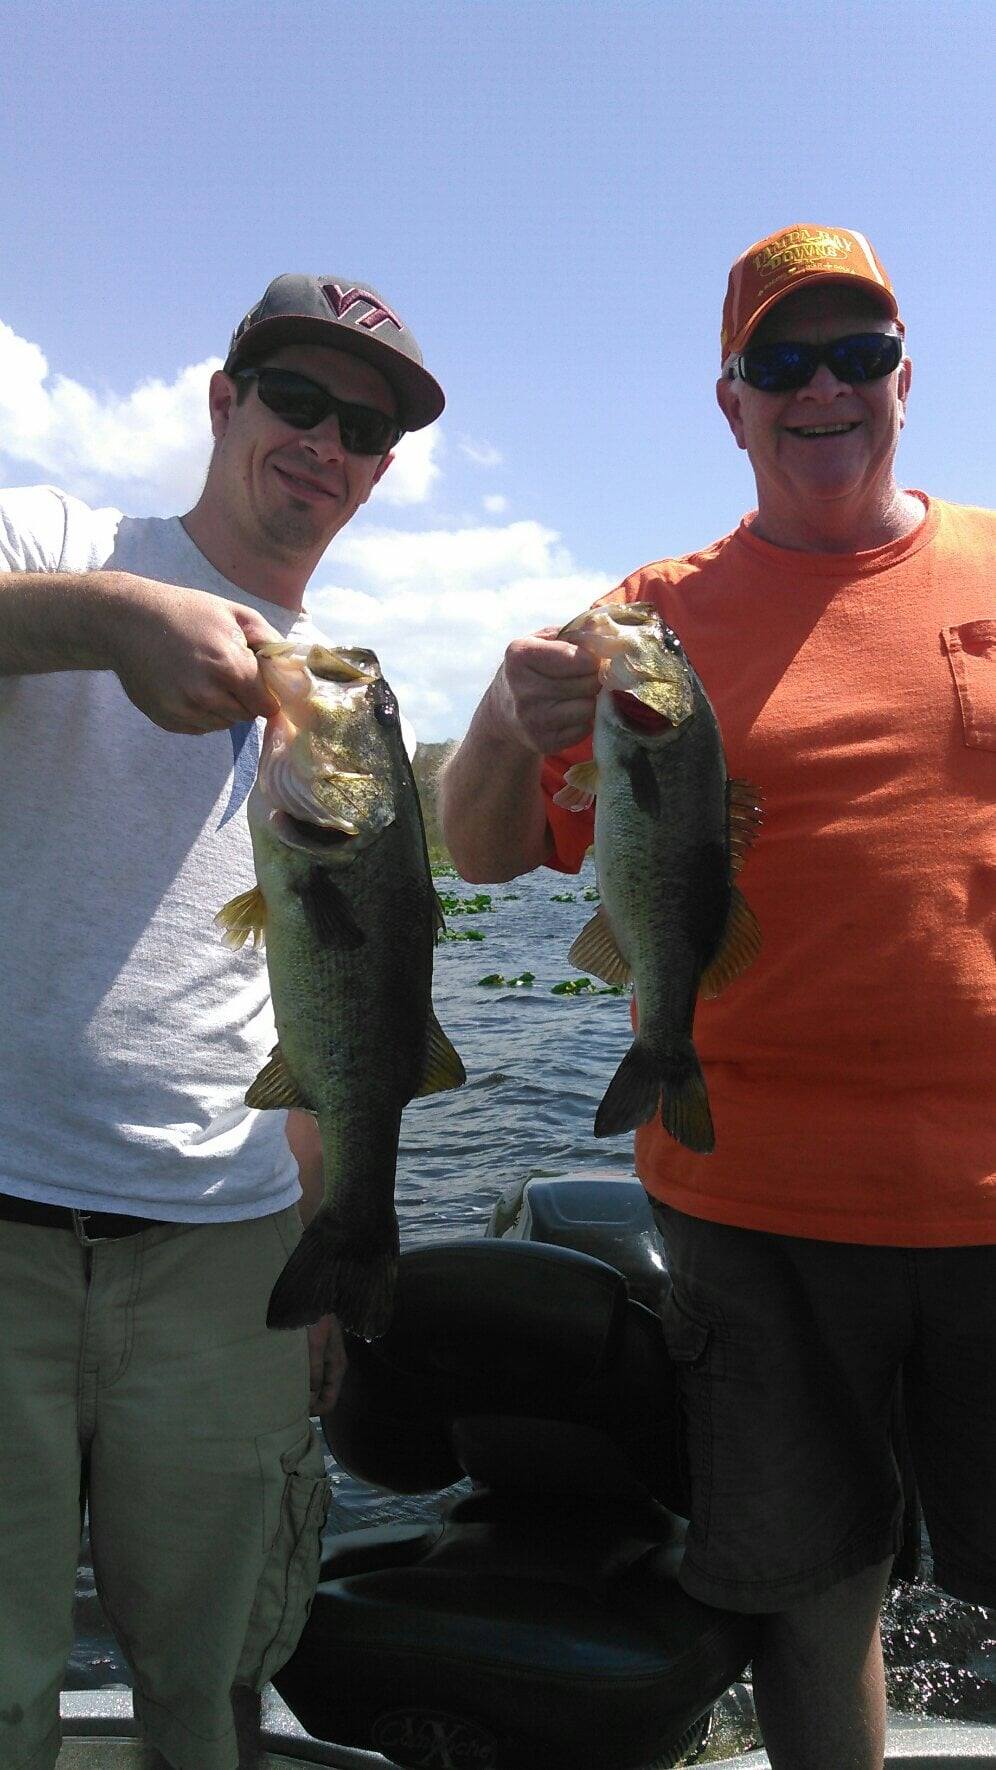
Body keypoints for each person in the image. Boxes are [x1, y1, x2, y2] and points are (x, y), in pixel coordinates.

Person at [439, 223, 994, 1770]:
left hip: (994, 1197)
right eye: (782, 360)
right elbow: (484, 854)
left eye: (857, 351)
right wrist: (500, 715)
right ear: (732, 400)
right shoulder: (647, 624)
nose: (824, 388)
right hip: (757, 1210)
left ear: (905, 376)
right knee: (814, 1596)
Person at [0, 273, 444, 1770]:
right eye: (298, 400)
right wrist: (107, 619)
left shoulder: (337, 703)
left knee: (208, 1692)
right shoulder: (63, 544)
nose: (326, 443)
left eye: (365, 427)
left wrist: (329, 1252)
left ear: (383, 471)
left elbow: (333, 1007)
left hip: (230, 1261)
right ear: (222, 398)